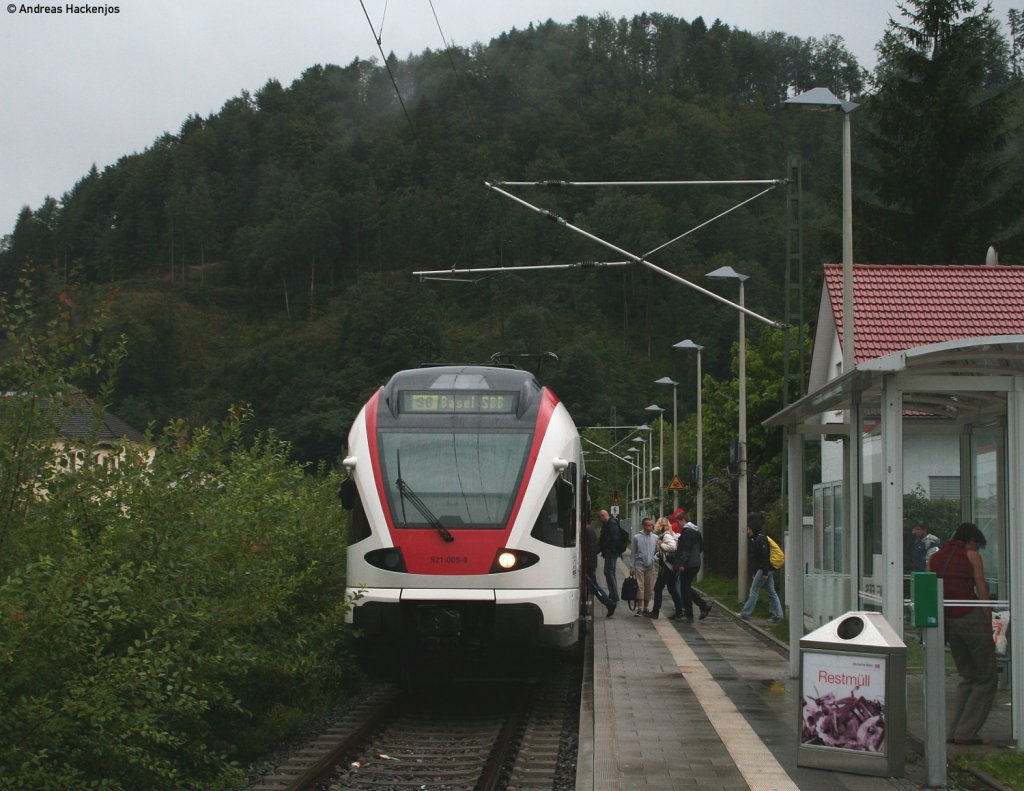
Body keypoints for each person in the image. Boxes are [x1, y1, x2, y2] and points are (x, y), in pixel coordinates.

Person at [929, 522, 997, 745]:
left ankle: (952, 732)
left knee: (967, 676)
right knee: (987, 677)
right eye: (977, 546)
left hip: (948, 621)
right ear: (971, 542)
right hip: (970, 617)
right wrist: (988, 622)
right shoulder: (971, 556)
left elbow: (931, 589)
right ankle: (967, 733)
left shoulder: (935, 558)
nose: (977, 550)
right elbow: (982, 590)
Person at [739, 512, 784, 622]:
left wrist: (764, 572)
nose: (747, 531)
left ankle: (746, 613)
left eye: (748, 529)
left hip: (765, 569)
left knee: (754, 590)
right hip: (766, 569)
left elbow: (764, 556)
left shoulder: (761, 539)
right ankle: (778, 615)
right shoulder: (756, 540)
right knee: (771, 592)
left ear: (753, 529)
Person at [673, 513, 712, 623]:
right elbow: (701, 547)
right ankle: (703, 606)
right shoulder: (696, 531)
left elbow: (685, 549)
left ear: (683, 520)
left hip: (688, 564)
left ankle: (689, 615)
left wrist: (681, 563)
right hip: (696, 563)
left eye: (678, 522)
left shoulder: (687, 532)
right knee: (686, 587)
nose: (678, 525)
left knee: (684, 589)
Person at [647, 517, 682, 619]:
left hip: (667, 567)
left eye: (657, 523)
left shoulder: (666, 535)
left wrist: (661, 544)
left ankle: (655, 612)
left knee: (658, 588)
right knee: (672, 589)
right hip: (671, 567)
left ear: (660, 525)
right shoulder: (669, 534)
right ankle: (679, 612)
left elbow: (672, 547)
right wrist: (659, 554)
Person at [584, 522, 616, 617]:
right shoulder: (589, 528)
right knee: (593, 585)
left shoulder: (585, 530)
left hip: (588, 563)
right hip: (591, 562)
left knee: (593, 586)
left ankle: (609, 604)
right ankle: (609, 604)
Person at [629, 517, 659, 616]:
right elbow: (633, 552)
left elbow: (657, 552)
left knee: (649, 588)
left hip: (651, 566)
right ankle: (640, 608)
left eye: (651, 525)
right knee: (640, 587)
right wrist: (632, 567)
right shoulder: (637, 537)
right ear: (643, 525)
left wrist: (654, 558)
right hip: (639, 565)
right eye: (648, 525)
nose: (650, 527)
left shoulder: (655, 537)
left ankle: (646, 607)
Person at [597, 509, 622, 604]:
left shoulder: (611, 523)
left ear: (603, 515)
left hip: (611, 552)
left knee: (609, 572)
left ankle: (614, 595)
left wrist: (606, 547)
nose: (599, 520)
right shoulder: (610, 523)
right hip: (611, 552)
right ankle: (613, 594)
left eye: (600, 517)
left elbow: (614, 538)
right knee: (610, 573)